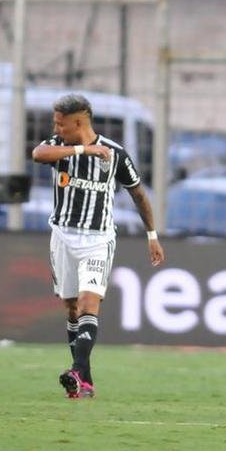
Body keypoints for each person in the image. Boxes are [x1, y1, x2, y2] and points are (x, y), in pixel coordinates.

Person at [32, 94, 165, 399]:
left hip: (97, 239)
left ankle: (76, 371)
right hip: (62, 236)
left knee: (88, 303)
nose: (56, 128)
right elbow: (38, 154)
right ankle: (85, 380)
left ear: (78, 122)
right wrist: (83, 149)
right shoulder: (59, 146)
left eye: (60, 123)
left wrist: (152, 235)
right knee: (72, 308)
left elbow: (138, 194)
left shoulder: (115, 154)